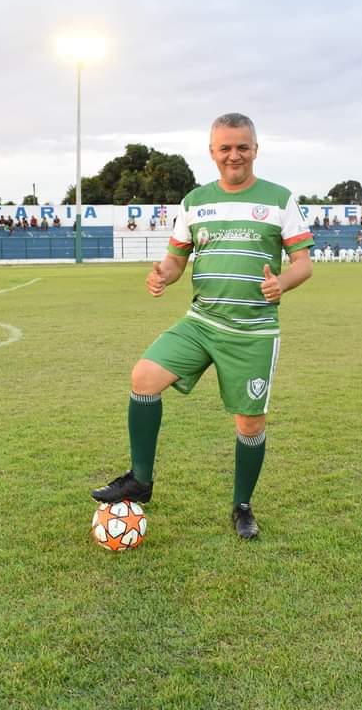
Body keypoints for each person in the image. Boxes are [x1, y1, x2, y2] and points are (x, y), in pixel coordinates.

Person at [91, 112, 314, 539]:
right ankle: (140, 479)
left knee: (249, 425)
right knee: (144, 377)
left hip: (252, 332)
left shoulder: (280, 200)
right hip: (202, 322)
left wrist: (282, 282)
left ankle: (242, 505)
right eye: (225, 148)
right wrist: (163, 275)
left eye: (242, 147)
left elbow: (303, 263)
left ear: (255, 149)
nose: (234, 155)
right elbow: (177, 260)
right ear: (212, 152)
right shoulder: (195, 201)